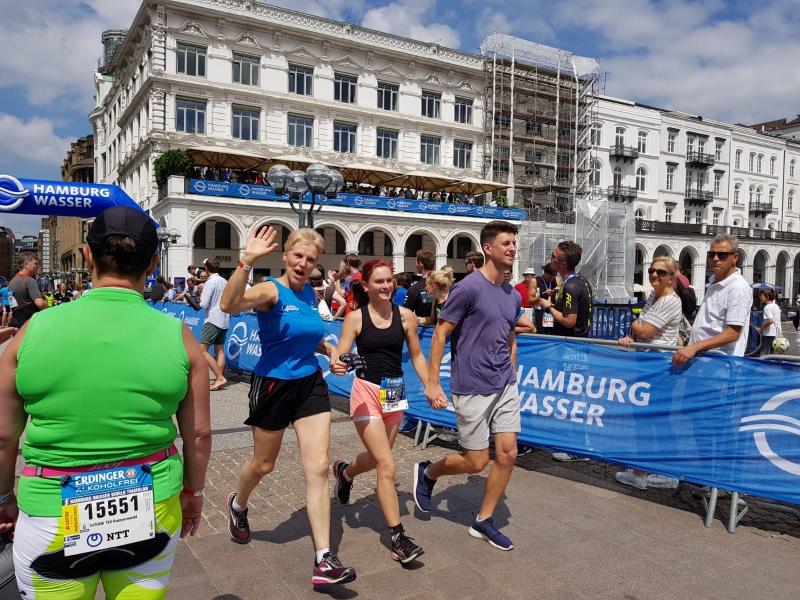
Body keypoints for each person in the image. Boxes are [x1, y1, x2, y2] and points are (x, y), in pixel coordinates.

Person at [0, 206, 211, 599]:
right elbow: (198, 434)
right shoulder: (178, 334)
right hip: (152, 503)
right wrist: (192, 493)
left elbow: (3, 435)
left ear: (87, 256)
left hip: (51, 509)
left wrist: (3, 497)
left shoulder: (32, 330)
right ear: (153, 262)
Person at [219, 226, 356, 586]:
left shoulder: (309, 293)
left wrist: (332, 351)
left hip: (310, 384)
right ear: (285, 256)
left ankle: (324, 559)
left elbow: (311, 338)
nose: (303, 263)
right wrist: (246, 261)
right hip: (274, 385)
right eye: (298, 256)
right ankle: (237, 503)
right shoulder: (270, 291)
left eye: (310, 259)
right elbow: (228, 305)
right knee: (264, 464)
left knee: (319, 468)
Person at [414, 220, 523, 551]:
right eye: (506, 243)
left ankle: (483, 520)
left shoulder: (512, 294)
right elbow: (441, 333)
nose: (512, 248)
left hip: (504, 384)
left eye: (514, 243)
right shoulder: (468, 288)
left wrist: (511, 370)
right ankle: (428, 473)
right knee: (476, 462)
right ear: (488, 248)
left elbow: (510, 335)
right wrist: (433, 383)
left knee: (508, 453)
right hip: (472, 385)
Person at [330, 259, 428, 564]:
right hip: (366, 394)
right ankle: (398, 538)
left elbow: (417, 356)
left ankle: (345, 472)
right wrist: (339, 364)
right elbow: (341, 355)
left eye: (389, 281)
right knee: (387, 464)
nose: (386, 286)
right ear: (366, 285)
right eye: (379, 281)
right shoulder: (355, 318)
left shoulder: (406, 316)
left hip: (394, 392)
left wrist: (431, 385)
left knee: (376, 458)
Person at [615, 256, 683, 490]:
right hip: (647, 364)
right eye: (652, 270)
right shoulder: (655, 296)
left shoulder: (670, 301)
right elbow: (640, 330)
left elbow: (644, 330)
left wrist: (635, 325)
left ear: (671, 278)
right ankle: (643, 468)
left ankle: (665, 471)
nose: (654, 275)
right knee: (645, 419)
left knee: (656, 420)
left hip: (660, 367)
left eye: (661, 272)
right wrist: (633, 333)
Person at [538, 241, 593, 462]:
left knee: (572, 397)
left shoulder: (571, 286)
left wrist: (549, 306)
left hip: (572, 348)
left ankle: (577, 447)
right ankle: (577, 444)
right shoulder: (581, 282)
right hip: (579, 346)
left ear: (561, 263)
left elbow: (569, 321)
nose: (550, 258)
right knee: (575, 396)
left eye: (553, 256)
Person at [672, 235, 752, 365]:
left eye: (722, 255)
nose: (715, 258)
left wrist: (694, 347)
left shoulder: (738, 287)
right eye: (711, 254)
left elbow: (732, 333)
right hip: (702, 360)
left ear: (735, 257)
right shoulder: (714, 283)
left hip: (719, 363)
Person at [199, 258, 229, 391]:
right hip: (224, 318)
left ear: (206, 268)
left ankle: (219, 377)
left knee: (202, 350)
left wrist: (200, 294)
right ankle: (219, 380)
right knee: (219, 350)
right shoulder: (224, 281)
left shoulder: (210, 282)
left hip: (213, 318)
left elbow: (203, 304)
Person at [8, 254, 47, 328]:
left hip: (16, 322)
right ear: (25, 264)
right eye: (35, 264)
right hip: (30, 322)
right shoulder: (29, 280)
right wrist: (48, 305)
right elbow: (40, 303)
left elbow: (12, 306)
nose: (37, 266)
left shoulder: (11, 282)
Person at [404, 250, 435, 318]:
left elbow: (406, 314)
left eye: (416, 263)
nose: (415, 265)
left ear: (420, 264)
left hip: (422, 324)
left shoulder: (414, 289)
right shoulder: (444, 285)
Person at [532, 263, 557, 332]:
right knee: (542, 334)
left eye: (553, 277)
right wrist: (544, 294)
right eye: (549, 277)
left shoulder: (556, 280)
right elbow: (530, 300)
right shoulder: (535, 281)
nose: (551, 279)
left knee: (553, 335)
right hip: (540, 313)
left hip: (552, 312)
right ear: (545, 273)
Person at [757, 288, 781, 356]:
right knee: (772, 354)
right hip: (776, 333)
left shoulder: (767, 307)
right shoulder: (776, 306)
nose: (760, 297)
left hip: (768, 334)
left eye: (761, 296)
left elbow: (770, 321)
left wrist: (761, 328)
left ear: (766, 296)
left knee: (764, 354)